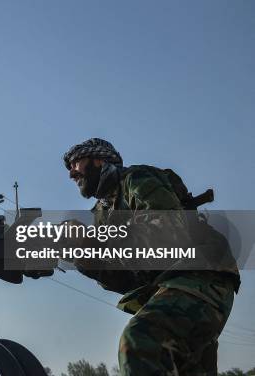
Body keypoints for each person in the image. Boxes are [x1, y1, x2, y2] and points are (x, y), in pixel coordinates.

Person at [62, 138, 240, 376]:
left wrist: (94, 241)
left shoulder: (136, 180)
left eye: (76, 164)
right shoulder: (102, 214)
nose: (72, 174)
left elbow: (168, 233)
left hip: (201, 276)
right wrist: (84, 258)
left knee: (140, 342)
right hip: (171, 286)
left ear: (99, 160)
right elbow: (126, 279)